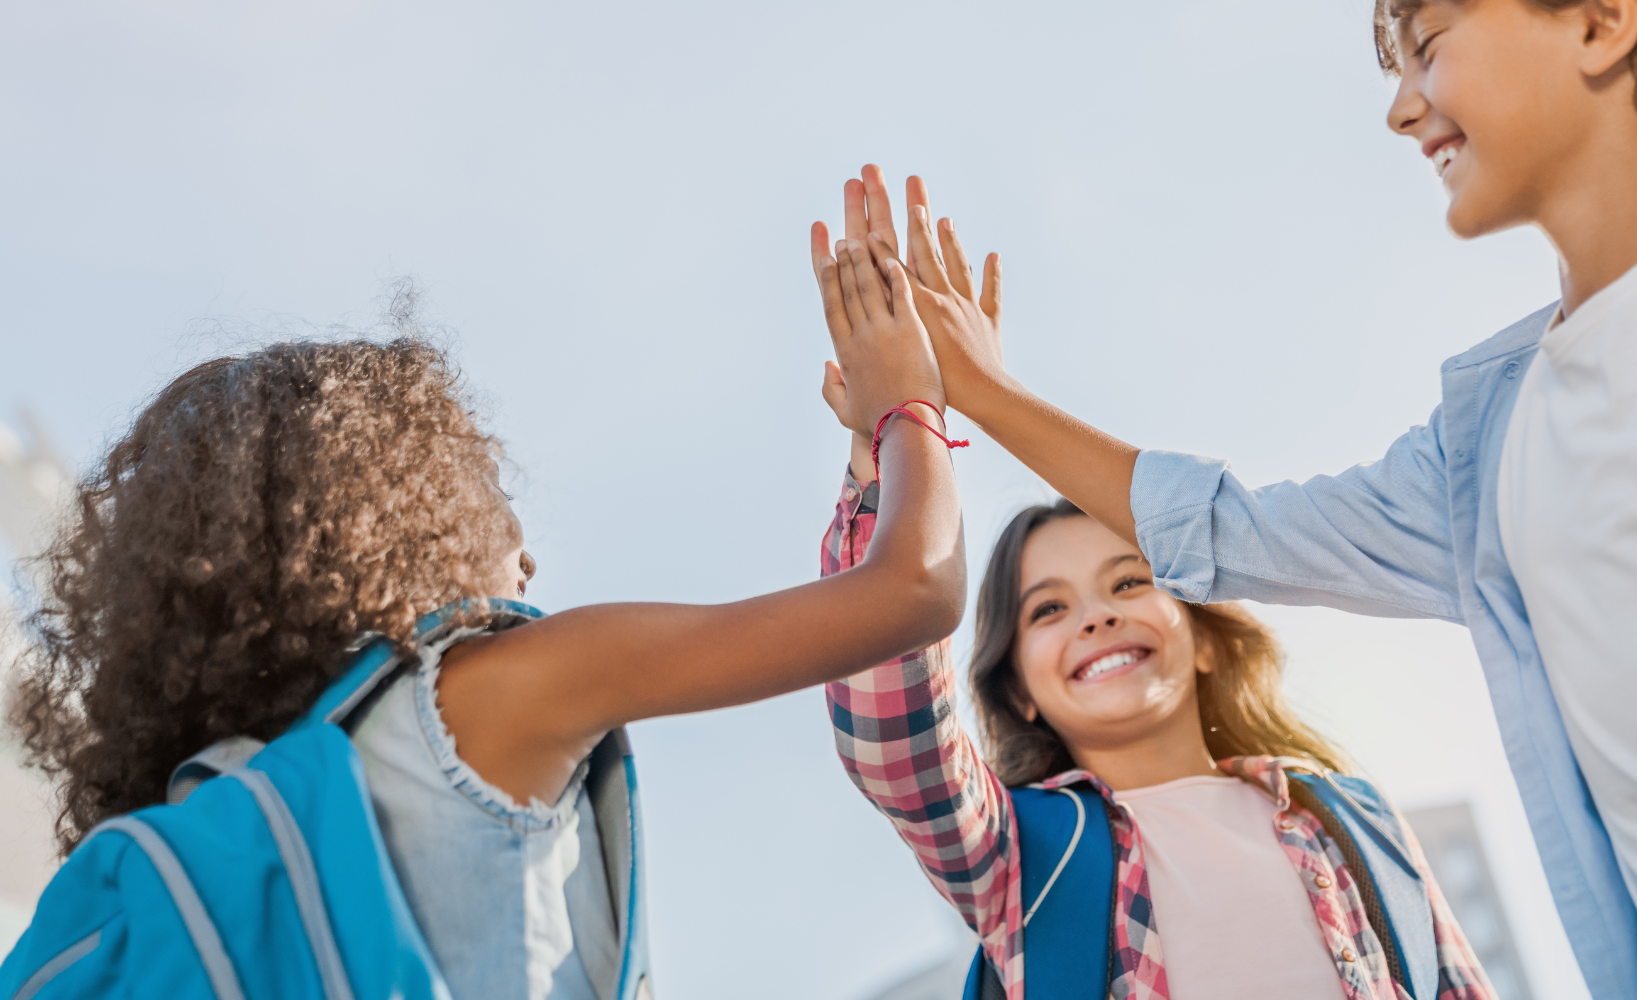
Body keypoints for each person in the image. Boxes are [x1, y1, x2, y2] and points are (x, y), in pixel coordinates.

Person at [830, 0, 1637, 995]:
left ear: (1599, 22)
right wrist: (972, 393)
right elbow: (1223, 528)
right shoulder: (1481, 452)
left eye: (1428, 45)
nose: (1401, 108)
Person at [7, 246, 962, 1000]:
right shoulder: (488, 693)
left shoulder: (234, 805)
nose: (527, 558)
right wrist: (909, 402)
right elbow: (916, 588)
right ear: (406, 507)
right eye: (492, 496)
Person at [814, 173, 1495, 1000]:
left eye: (1129, 581)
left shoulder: (1354, 822)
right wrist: (894, 440)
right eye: (1050, 609)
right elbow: (897, 740)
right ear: (1019, 690)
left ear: (1205, 636)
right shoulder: (1023, 855)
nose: (1096, 617)